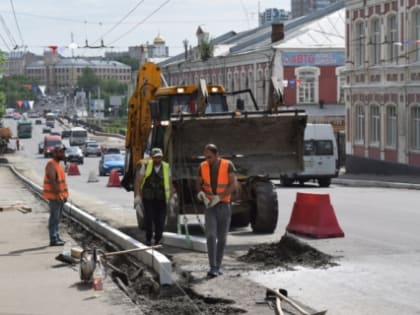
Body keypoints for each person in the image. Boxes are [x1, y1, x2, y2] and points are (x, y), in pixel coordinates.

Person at [196, 143, 237, 278]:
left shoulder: (227, 165)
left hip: (223, 204)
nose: (208, 160)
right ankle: (212, 267)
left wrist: (220, 197)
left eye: (210, 157)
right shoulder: (203, 166)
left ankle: (218, 265)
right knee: (211, 235)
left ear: (217, 155)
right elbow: (198, 183)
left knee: (222, 238)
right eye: (206, 157)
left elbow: (233, 184)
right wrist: (201, 193)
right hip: (209, 205)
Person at [134, 148, 175, 246]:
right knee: (149, 218)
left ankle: (158, 239)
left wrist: (172, 197)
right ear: (152, 157)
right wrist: (138, 196)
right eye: (156, 157)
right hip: (148, 198)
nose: (158, 159)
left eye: (159, 157)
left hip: (161, 198)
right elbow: (138, 182)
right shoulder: (146, 166)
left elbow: (170, 182)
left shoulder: (166, 167)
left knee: (160, 220)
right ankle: (148, 238)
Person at [42, 144, 68, 246]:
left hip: (60, 197)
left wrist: (64, 195)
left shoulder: (58, 165)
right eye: (60, 152)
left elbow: (61, 183)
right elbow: (53, 181)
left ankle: (57, 237)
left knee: (58, 218)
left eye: (63, 152)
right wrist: (58, 195)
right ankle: (53, 239)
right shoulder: (51, 164)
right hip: (55, 197)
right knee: (54, 218)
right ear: (55, 153)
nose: (63, 154)